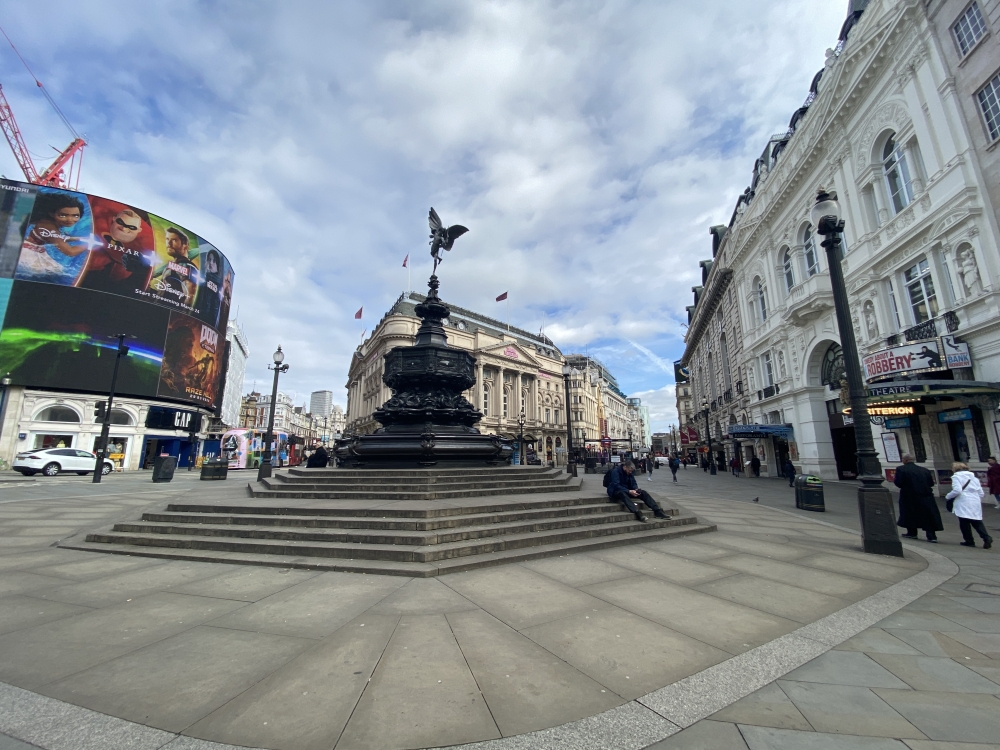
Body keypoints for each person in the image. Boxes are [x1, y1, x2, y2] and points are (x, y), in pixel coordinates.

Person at [78, 209, 152, 295]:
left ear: (139, 230)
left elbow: (118, 276)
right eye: (120, 222)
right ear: (114, 219)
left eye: (131, 227)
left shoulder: (144, 245)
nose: (124, 228)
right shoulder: (96, 222)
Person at [892, 454, 943, 543]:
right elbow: (931, 483)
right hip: (925, 495)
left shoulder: (901, 469)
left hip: (909, 495)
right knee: (928, 515)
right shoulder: (924, 470)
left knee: (910, 513)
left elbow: (898, 482)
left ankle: (912, 533)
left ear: (905, 460)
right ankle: (931, 536)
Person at [946, 462, 993, 549]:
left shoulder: (956, 477)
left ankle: (969, 540)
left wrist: (948, 496)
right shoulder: (974, 478)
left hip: (963, 501)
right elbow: (981, 493)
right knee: (977, 521)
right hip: (975, 501)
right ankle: (986, 537)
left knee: (964, 522)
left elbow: (957, 490)